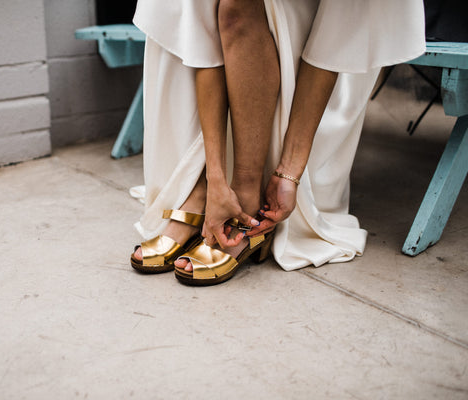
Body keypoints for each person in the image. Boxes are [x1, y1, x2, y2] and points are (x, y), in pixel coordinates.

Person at [130, 0, 425, 285]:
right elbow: (196, 33)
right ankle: (200, 192)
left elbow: (337, 38)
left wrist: (289, 171)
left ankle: (246, 197)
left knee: (241, 6)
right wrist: (214, 176)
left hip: (324, 26)